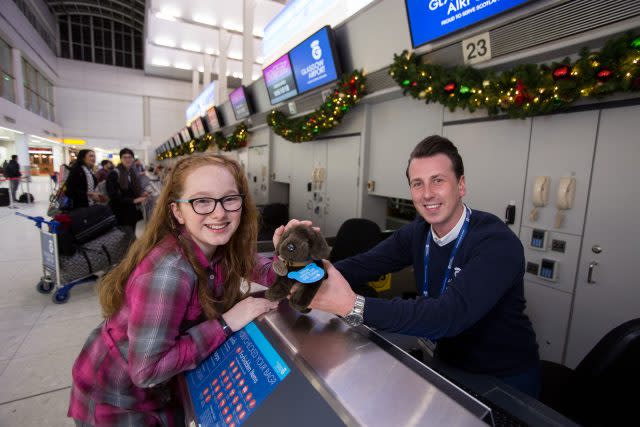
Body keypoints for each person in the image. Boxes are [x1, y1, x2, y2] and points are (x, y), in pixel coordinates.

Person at [307, 135, 541, 397]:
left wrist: (353, 306)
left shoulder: (496, 242)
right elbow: (365, 264)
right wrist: (312, 270)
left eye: (438, 181)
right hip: (447, 361)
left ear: (461, 185)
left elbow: (448, 315)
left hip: (503, 379)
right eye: (417, 184)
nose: (427, 193)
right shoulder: (419, 232)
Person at [68, 153, 291, 426]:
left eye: (230, 199)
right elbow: (147, 371)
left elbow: (270, 274)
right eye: (202, 201)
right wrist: (226, 322)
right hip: (118, 399)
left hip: (159, 392)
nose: (219, 212)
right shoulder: (169, 273)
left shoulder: (220, 248)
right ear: (177, 212)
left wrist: (289, 252)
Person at [106, 148, 147, 232]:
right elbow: (114, 196)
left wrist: (140, 195)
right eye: (124, 157)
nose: (127, 159)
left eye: (130, 157)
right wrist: (134, 200)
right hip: (121, 214)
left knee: (131, 235)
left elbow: (131, 190)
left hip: (131, 212)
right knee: (125, 238)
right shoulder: (114, 174)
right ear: (121, 159)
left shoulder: (130, 172)